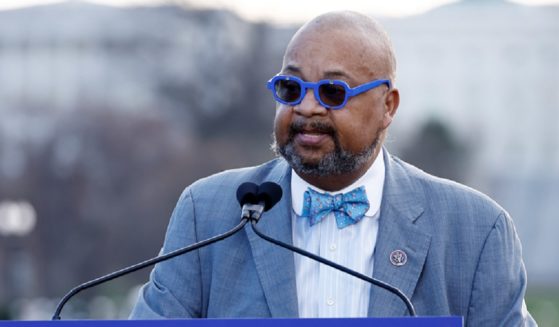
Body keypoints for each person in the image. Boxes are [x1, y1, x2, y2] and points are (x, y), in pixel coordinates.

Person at [130, 11, 536, 326]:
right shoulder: (208, 213)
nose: (307, 107)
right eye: (291, 88)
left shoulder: (478, 230)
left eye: (332, 92)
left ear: (388, 106)